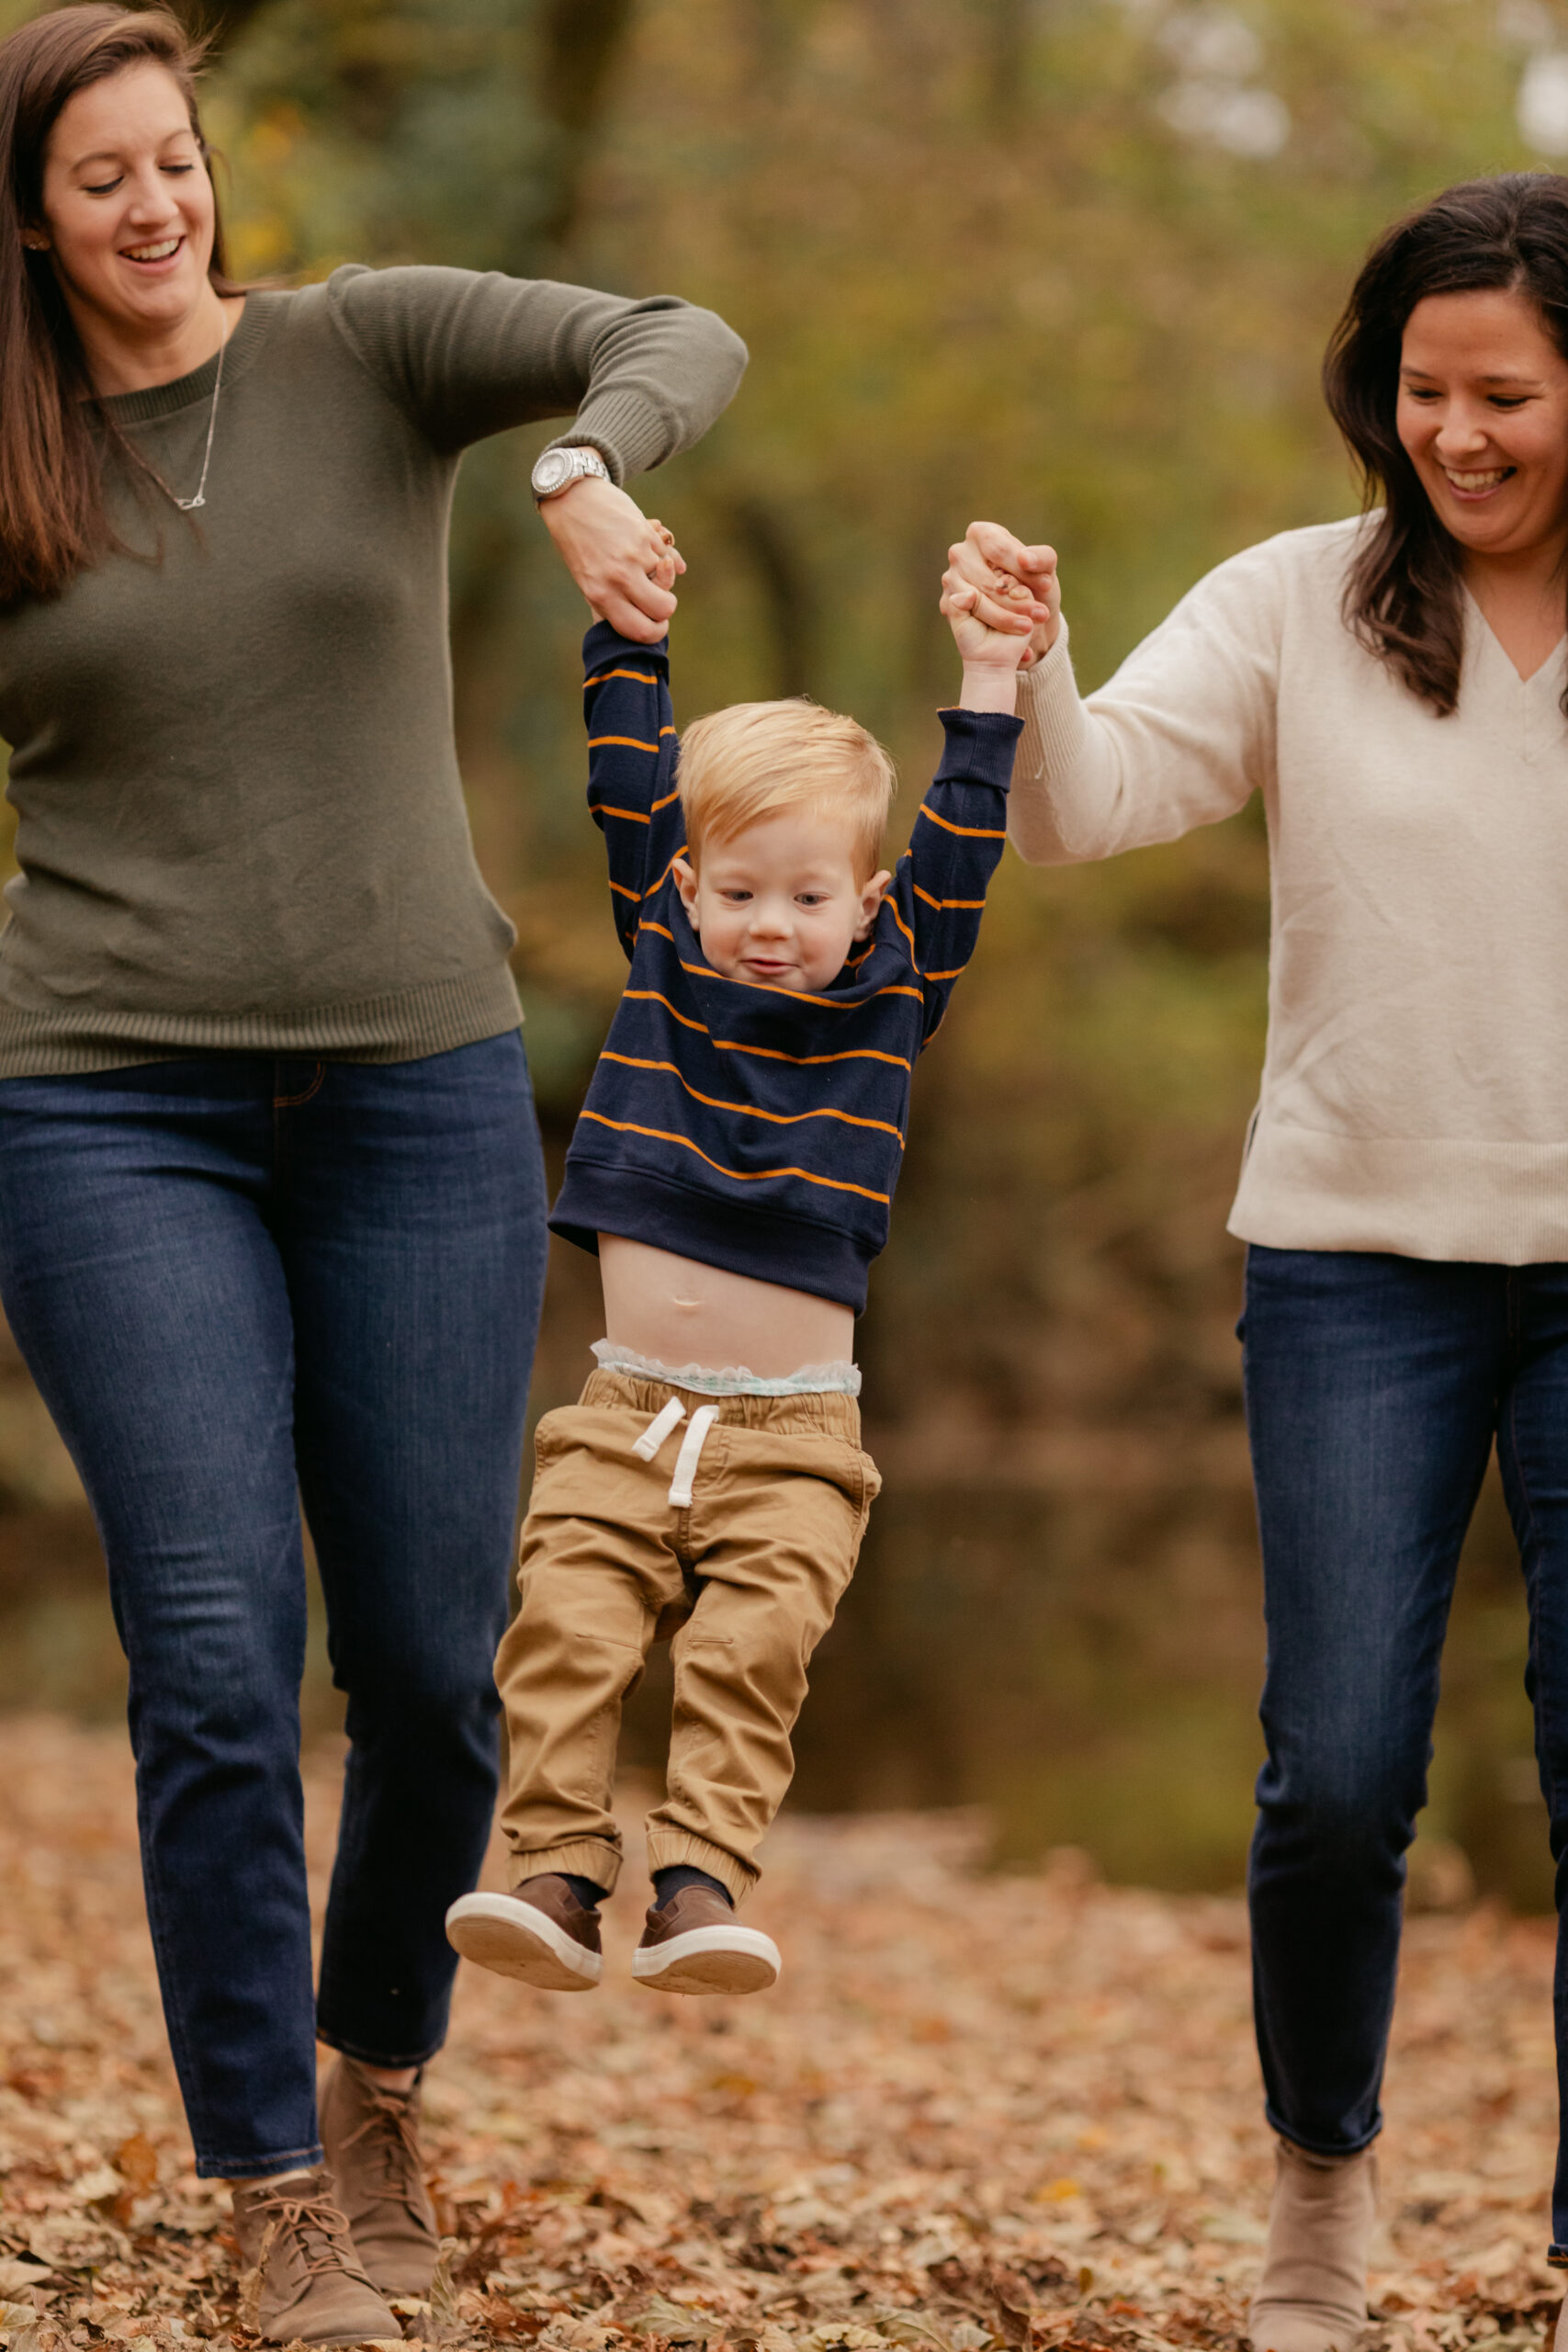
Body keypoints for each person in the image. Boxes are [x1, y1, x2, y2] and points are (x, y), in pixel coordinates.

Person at [0, 6, 745, 2342]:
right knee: (217, 1653)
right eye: (99, 175)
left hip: (420, 1088)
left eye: (175, 156)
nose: (156, 204)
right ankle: (262, 2187)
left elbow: (670, 328)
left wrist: (584, 467)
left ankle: (372, 2084)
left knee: (436, 1669)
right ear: (28, 217)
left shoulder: (367, 348)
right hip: (104, 1102)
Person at [944, 171, 1568, 2352]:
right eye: (1420, 392)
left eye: (1502, 393)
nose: (1456, 436)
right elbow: (1085, 802)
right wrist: (1013, 671)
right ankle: (1320, 2180)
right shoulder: (1304, 601)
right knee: (1331, 1772)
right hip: (1349, 1265)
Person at [444, 551, 1025, 1996]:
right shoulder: (665, 956)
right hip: (628, 1409)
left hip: (794, 1437)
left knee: (749, 1654)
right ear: (689, 888)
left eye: (809, 896)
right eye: (744, 891)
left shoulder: (895, 990)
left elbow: (966, 830)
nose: (774, 923)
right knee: (566, 1627)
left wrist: (992, 677)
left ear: (866, 902)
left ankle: (699, 1882)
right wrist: (622, 621)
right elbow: (629, 777)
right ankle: (561, 1875)